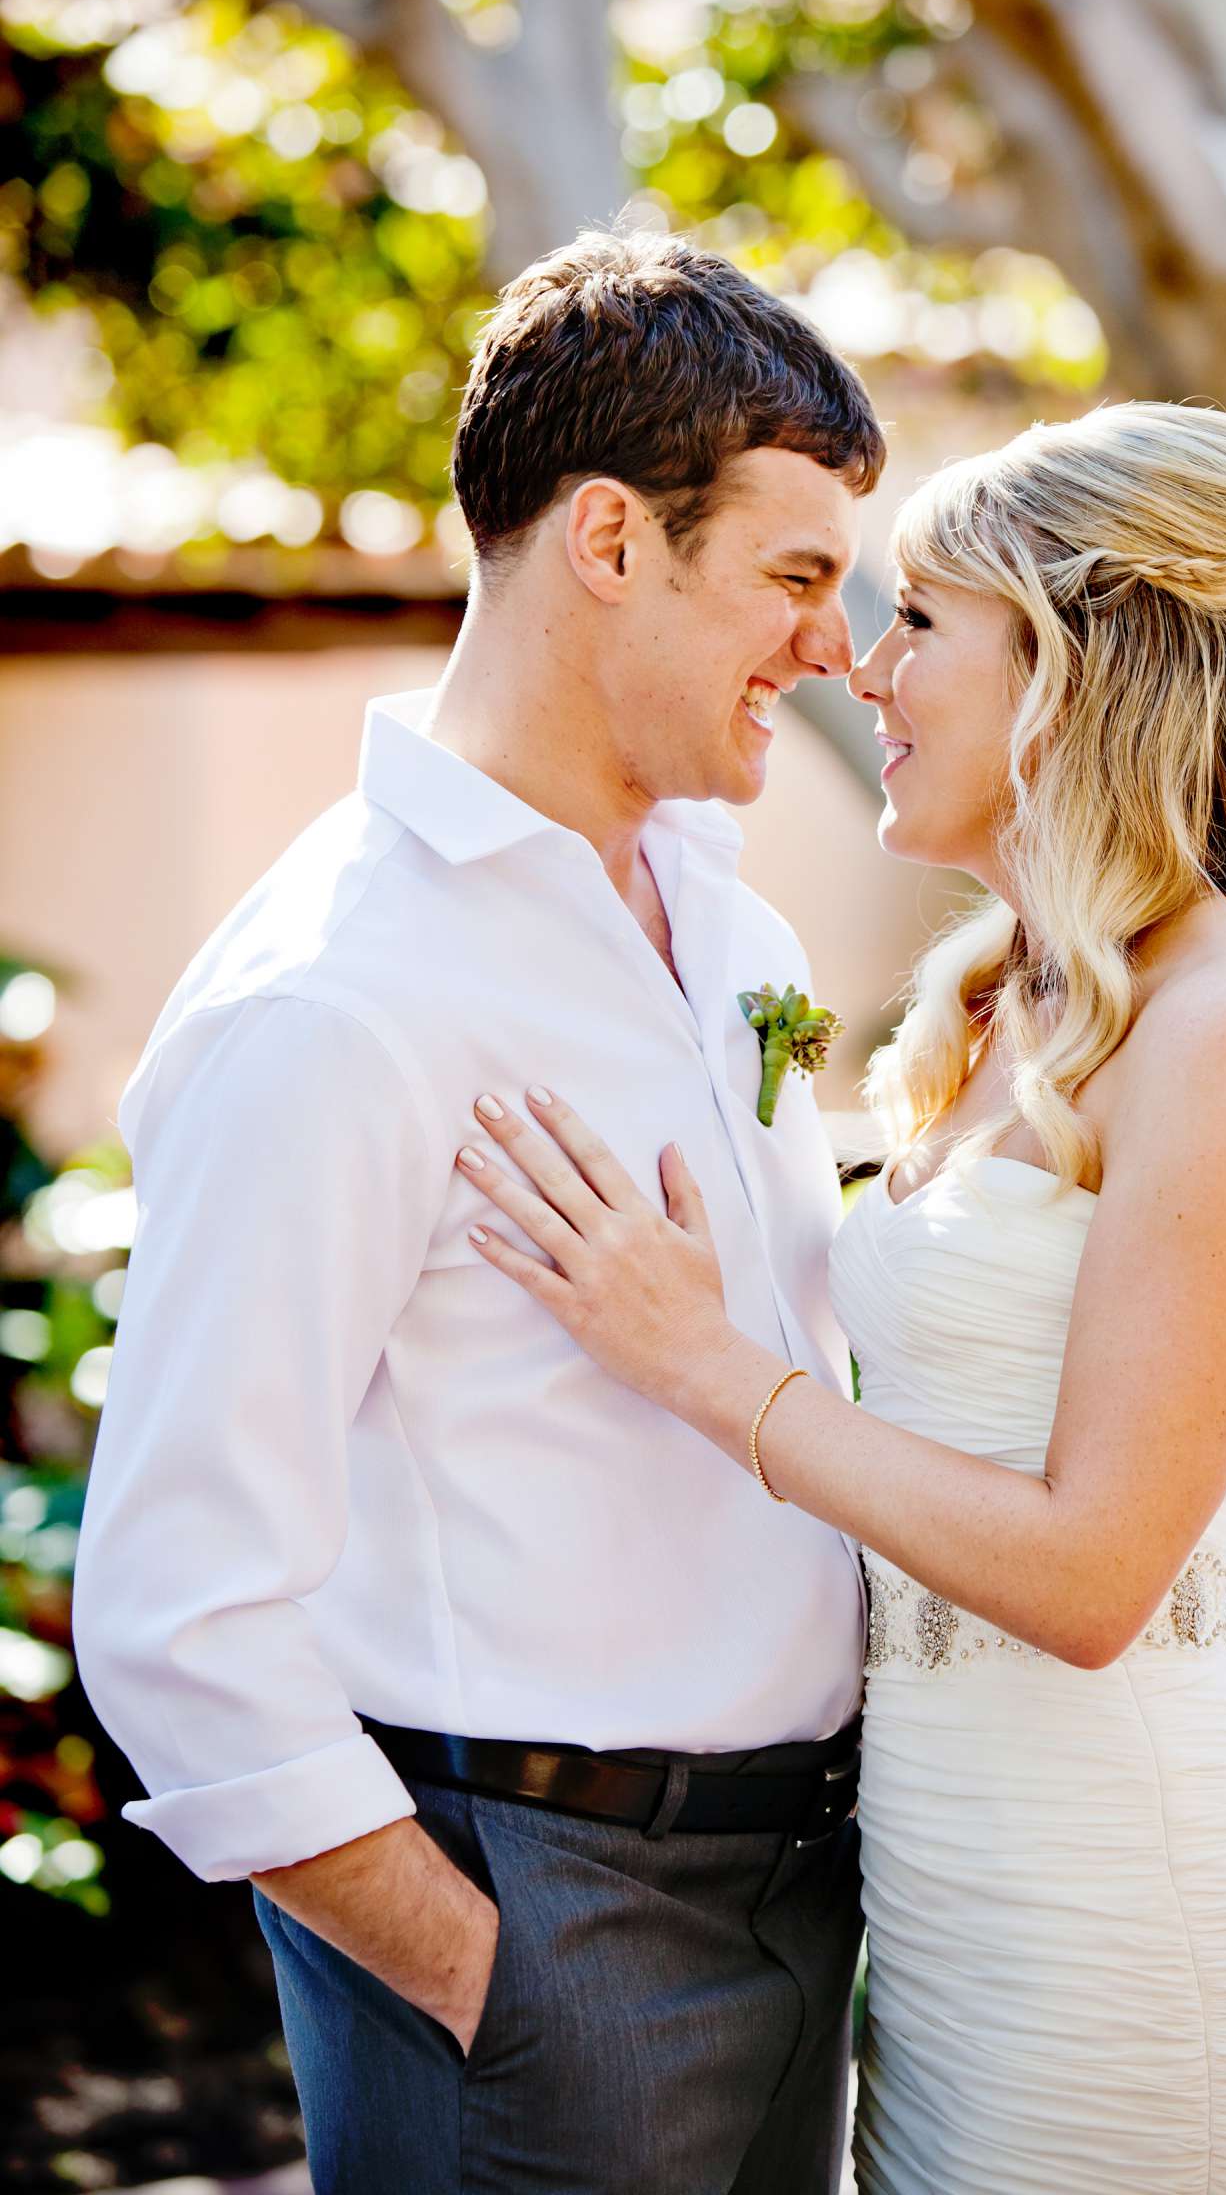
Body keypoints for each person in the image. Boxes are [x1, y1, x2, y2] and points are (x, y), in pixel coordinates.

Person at [456, 402, 1226, 2195]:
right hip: (937, 1907)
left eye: (920, 618)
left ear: (1077, 667)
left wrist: (708, 1371)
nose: (862, 663)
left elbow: (1086, 1574)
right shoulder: (1005, 1004)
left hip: (1125, 1933)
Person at [72, 228, 886, 2195]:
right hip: (543, 1929)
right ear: (608, 540)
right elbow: (176, 1607)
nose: (832, 650)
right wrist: (485, 1981)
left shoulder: (728, 922)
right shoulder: (335, 997)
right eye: (790, 579)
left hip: (807, 1893)